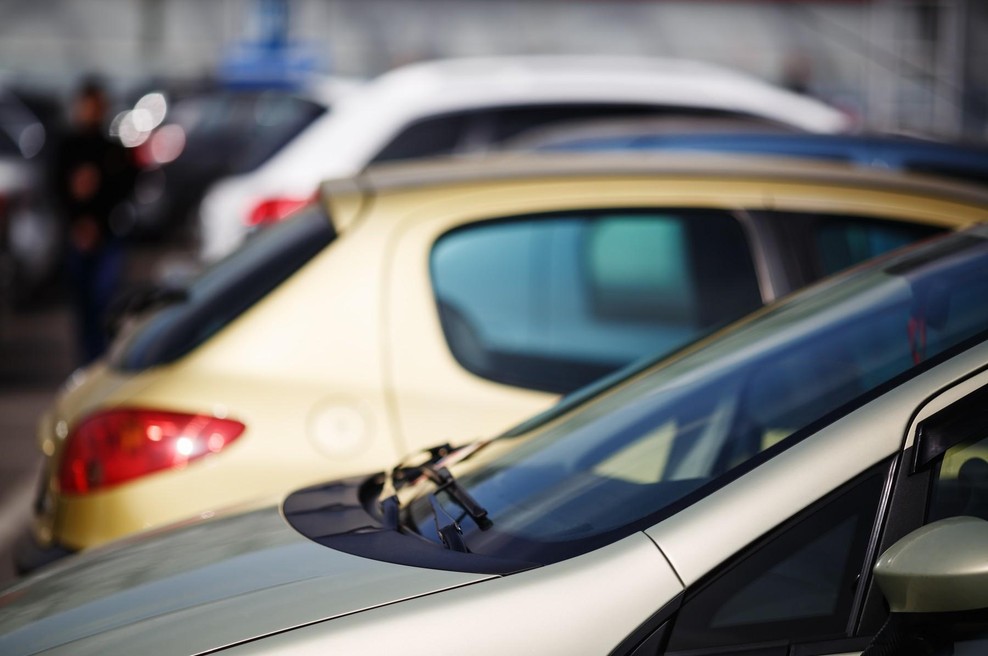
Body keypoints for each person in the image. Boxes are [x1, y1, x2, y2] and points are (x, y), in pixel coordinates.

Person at [51, 78, 135, 364]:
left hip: (107, 235)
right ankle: (85, 360)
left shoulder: (111, 148)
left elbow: (127, 187)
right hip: (78, 236)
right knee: (83, 306)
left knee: (104, 302)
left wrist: (100, 187)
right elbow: (55, 189)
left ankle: (100, 359)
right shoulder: (68, 146)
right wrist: (77, 220)